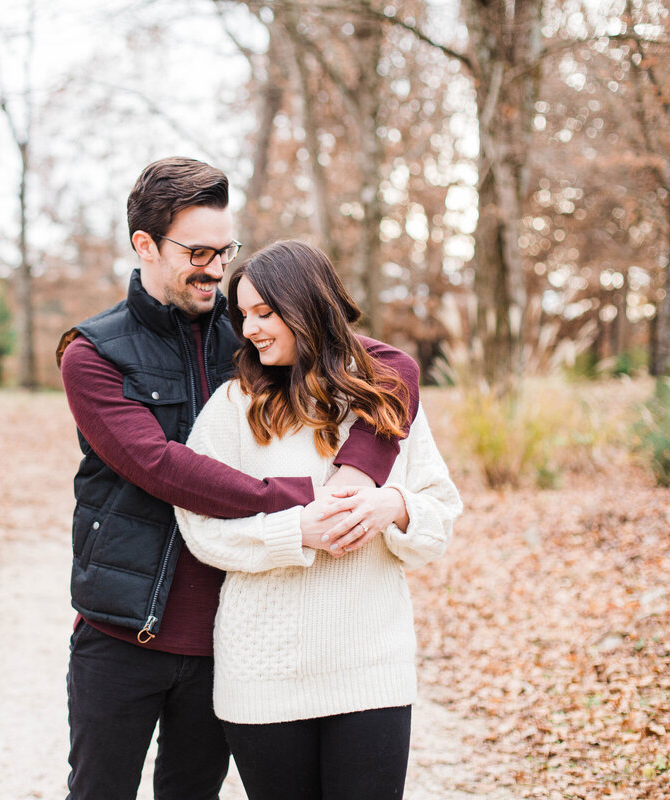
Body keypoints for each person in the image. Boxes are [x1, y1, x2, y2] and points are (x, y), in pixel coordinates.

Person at [56, 157, 421, 800]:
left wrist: (359, 475)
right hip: (123, 631)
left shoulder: (252, 329)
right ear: (145, 244)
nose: (217, 267)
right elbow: (159, 466)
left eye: (226, 250)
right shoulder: (93, 354)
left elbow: (391, 367)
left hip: (225, 635)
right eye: (198, 251)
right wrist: (309, 501)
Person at [175, 239, 463, 800]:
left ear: (308, 308)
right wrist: (295, 533)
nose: (251, 329)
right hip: (264, 673)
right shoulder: (234, 408)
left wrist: (393, 507)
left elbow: (440, 512)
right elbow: (200, 528)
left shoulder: (384, 401)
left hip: (369, 667)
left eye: (265, 313)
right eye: (243, 316)